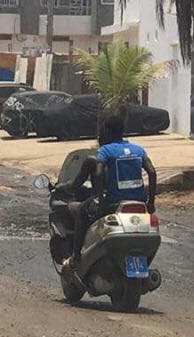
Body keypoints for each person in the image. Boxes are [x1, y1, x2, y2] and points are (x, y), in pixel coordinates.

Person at [65, 115, 157, 269]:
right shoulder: (138, 150)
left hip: (114, 202)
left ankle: (76, 257)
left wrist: (100, 199)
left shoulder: (106, 151)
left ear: (107, 131)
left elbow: (99, 173)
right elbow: (152, 172)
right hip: (139, 202)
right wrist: (151, 202)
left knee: (81, 211)